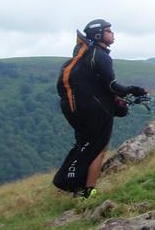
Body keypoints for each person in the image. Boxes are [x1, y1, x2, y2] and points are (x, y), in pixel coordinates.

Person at [53, 19, 148, 198]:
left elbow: (99, 86)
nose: (112, 34)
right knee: (99, 147)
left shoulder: (87, 55)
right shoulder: (101, 56)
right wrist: (134, 90)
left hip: (78, 110)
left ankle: (80, 188)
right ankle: (88, 191)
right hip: (96, 111)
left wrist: (117, 101)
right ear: (98, 35)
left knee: (86, 145)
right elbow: (111, 85)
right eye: (108, 31)